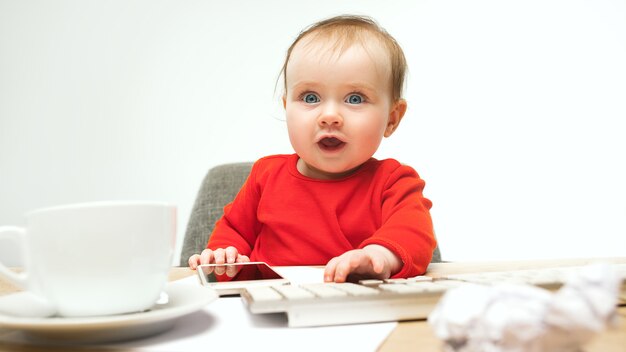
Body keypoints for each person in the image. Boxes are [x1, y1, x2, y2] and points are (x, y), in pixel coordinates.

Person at [188, 15, 436, 282]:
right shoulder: (266, 174)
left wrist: (379, 255)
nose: (329, 116)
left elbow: (414, 233)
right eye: (310, 97)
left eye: (355, 98)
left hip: (353, 305)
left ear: (392, 119)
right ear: (286, 107)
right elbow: (233, 230)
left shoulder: (394, 181)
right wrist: (226, 254)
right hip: (271, 304)